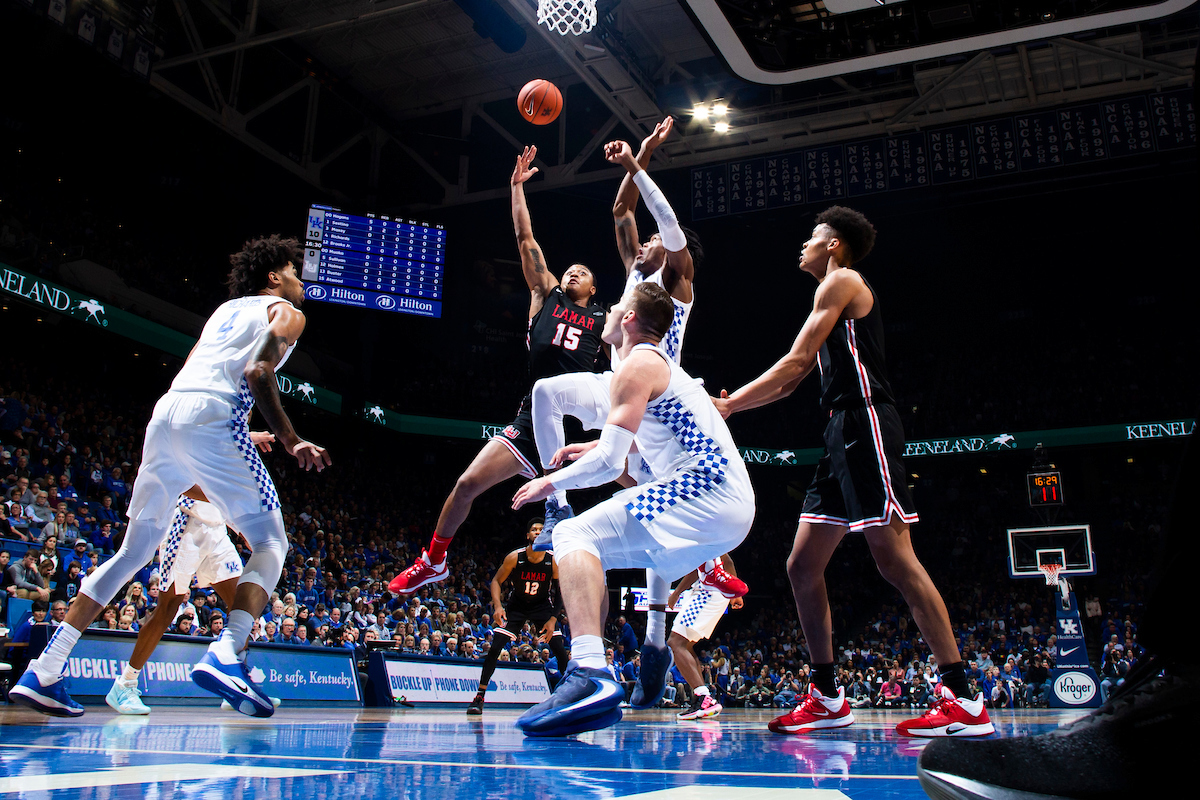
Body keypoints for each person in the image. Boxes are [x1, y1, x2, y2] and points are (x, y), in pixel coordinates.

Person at [11, 235, 330, 718]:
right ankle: (226, 654)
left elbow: (203, 383)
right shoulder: (286, 312)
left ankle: (44, 669)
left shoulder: (223, 311)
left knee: (131, 553)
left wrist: (241, 436)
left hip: (167, 416)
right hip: (216, 417)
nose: (299, 282)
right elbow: (258, 372)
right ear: (274, 279)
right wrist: (290, 439)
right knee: (270, 543)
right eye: (292, 272)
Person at [713, 206, 992, 739]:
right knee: (801, 565)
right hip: (840, 432)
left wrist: (730, 406)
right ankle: (826, 697)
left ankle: (964, 697)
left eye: (812, 238)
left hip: (866, 422)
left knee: (894, 557)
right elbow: (793, 382)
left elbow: (794, 364)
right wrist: (739, 405)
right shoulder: (827, 291)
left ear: (834, 245)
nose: (803, 246)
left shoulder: (842, 281)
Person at [510, 279, 755, 736]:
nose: (606, 314)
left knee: (572, 534)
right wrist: (588, 447)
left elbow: (609, 466)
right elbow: (626, 449)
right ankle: (654, 641)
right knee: (601, 548)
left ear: (626, 319)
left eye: (615, 308)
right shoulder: (655, 367)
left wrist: (549, 482)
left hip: (707, 488)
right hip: (724, 504)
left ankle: (589, 673)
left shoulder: (637, 364)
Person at [388, 145, 607, 595]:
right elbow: (526, 240)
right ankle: (433, 560)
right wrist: (515, 188)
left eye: (581, 272)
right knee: (467, 483)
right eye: (569, 269)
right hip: (533, 417)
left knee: (647, 470)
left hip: (580, 420)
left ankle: (707, 562)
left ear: (594, 287)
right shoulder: (545, 296)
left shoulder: (605, 318)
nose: (572, 273)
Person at [104, 484, 273, 715]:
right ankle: (125, 684)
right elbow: (189, 486)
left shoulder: (236, 453)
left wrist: (239, 525)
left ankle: (237, 682)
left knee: (242, 606)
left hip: (218, 531)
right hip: (186, 527)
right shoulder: (201, 448)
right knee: (167, 609)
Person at [466, 518, 571, 715]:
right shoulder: (515, 557)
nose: (538, 532)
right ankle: (479, 696)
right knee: (495, 647)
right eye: (534, 529)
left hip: (542, 607)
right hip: (517, 607)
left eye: (542, 529)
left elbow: (561, 590)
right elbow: (496, 581)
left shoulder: (553, 560)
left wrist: (553, 618)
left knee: (559, 649)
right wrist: (497, 606)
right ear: (527, 535)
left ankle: (570, 699)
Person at [666, 554, 745, 720]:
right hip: (709, 591)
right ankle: (701, 697)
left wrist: (676, 592)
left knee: (675, 642)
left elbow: (701, 567)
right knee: (686, 646)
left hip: (708, 592)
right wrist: (734, 594)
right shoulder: (710, 533)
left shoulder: (698, 533)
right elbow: (727, 562)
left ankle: (704, 698)